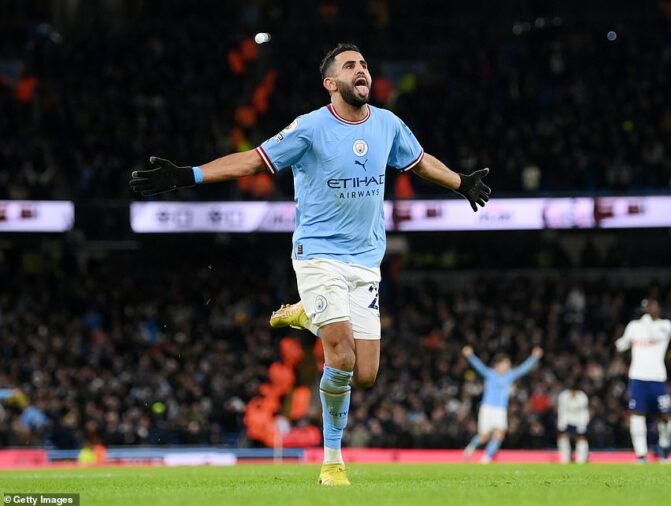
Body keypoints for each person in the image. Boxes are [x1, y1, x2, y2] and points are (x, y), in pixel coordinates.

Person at [129, 43, 491, 485]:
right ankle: (332, 461)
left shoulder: (388, 125)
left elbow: (420, 163)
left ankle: (308, 313)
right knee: (339, 351)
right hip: (319, 256)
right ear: (331, 82)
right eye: (350, 66)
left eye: (364, 65)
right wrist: (190, 174)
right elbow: (252, 161)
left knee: (367, 374)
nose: (362, 71)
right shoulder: (309, 128)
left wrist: (461, 183)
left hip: (366, 263)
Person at [615, 297, 671, 464]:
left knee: (664, 415)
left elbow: (654, 336)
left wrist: (645, 320)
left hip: (657, 377)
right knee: (636, 415)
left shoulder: (665, 325)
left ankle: (664, 446)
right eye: (648, 306)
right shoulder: (634, 326)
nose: (652, 309)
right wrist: (617, 344)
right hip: (638, 377)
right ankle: (641, 454)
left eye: (654, 305)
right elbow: (624, 343)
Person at [461, 345, 542, 464]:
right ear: (498, 365)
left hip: (500, 410)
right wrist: (470, 355)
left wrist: (534, 357)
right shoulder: (490, 374)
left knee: (499, 434)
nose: (507, 366)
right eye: (505, 364)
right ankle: (471, 447)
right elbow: (479, 366)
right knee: (484, 436)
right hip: (487, 408)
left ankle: (486, 459)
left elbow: (523, 369)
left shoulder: (509, 376)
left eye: (508, 364)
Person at [556, 386, 590, 464]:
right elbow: (562, 410)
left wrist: (583, 424)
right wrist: (561, 423)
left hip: (579, 420)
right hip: (567, 420)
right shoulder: (563, 396)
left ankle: (581, 460)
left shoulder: (582, 397)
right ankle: (565, 459)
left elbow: (584, 411)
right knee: (563, 438)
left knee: (581, 439)